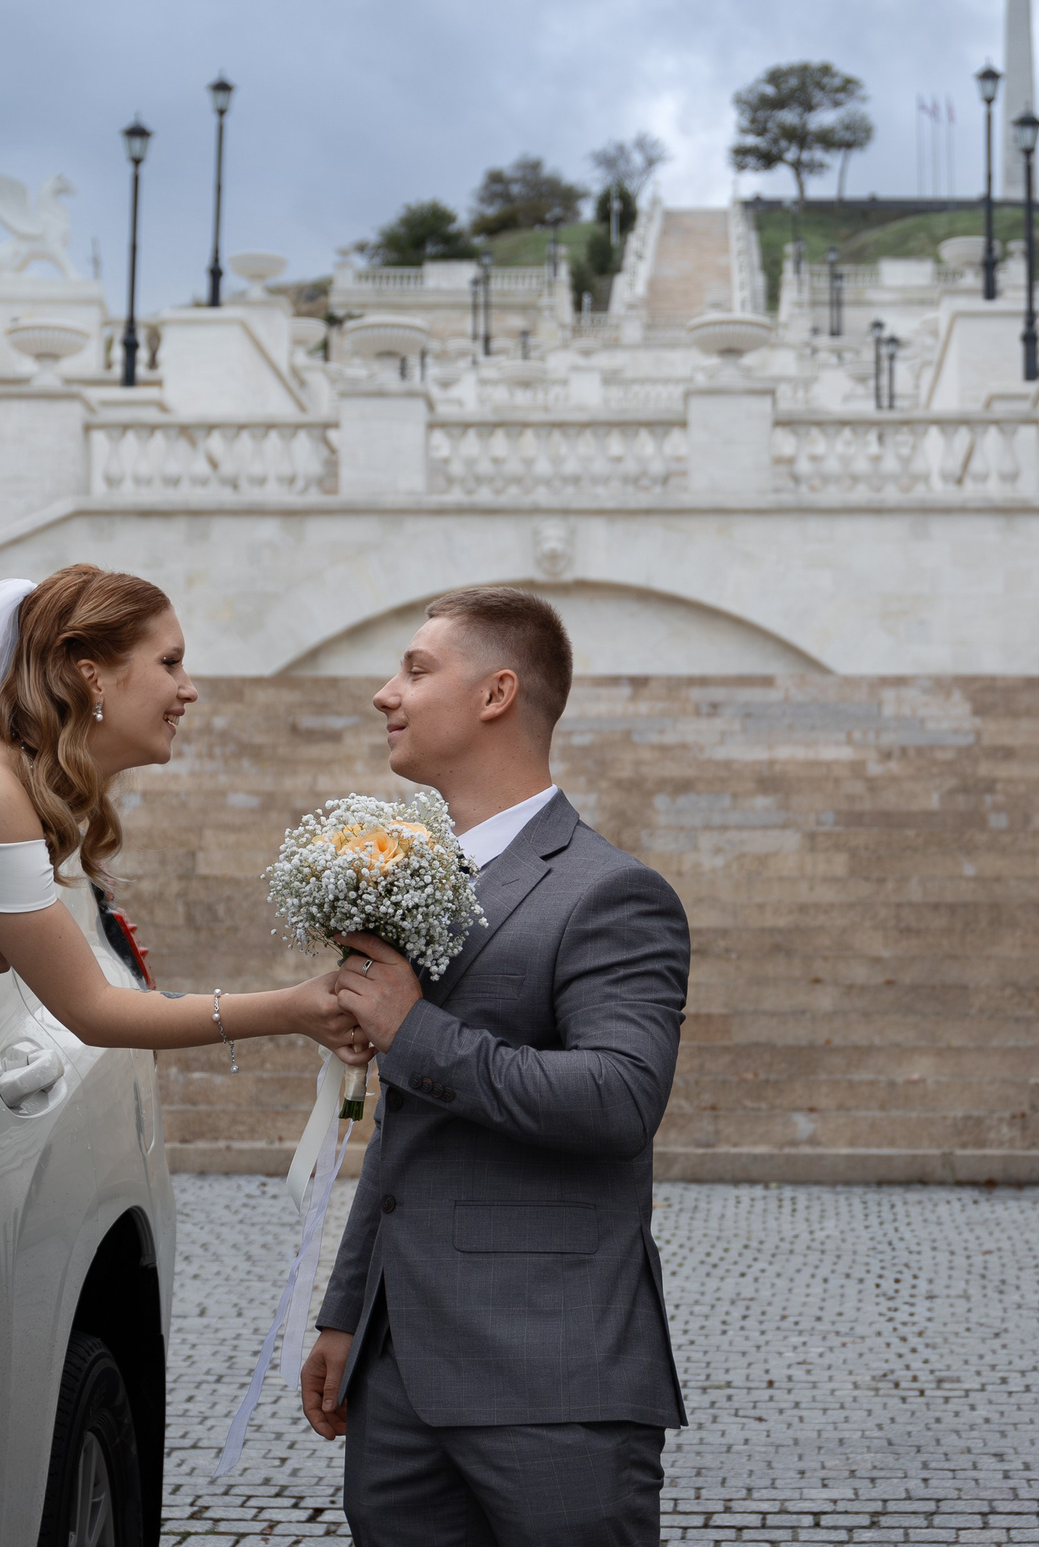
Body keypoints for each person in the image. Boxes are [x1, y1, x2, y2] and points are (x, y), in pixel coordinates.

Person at [301, 587, 690, 1547]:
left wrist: (413, 1028)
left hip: (552, 1379)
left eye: (417, 669)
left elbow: (618, 1098)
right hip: (398, 1380)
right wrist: (349, 1309)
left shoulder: (613, 892)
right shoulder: (412, 872)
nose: (386, 694)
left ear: (496, 693)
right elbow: (407, 1121)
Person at [0, 565, 367, 1062]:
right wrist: (293, 1008)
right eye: (170, 663)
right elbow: (93, 1011)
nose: (190, 689)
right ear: (93, 678)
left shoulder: (13, 782)